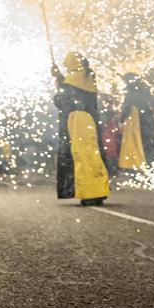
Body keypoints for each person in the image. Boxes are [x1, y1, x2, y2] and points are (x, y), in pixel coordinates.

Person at [52, 53, 110, 206]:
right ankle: (98, 191)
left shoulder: (72, 80)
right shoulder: (86, 77)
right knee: (93, 156)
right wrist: (60, 79)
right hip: (90, 120)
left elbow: (62, 101)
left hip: (77, 122)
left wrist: (59, 84)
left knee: (81, 157)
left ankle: (89, 193)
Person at [118, 73, 154, 170]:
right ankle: (153, 164)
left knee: (139, 143)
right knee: (150, 141)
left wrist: (121, 119)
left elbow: (128, 105)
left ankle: (141, 165)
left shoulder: (131, 91)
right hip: (146, 118)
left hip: (136, 120)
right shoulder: (144, 88)